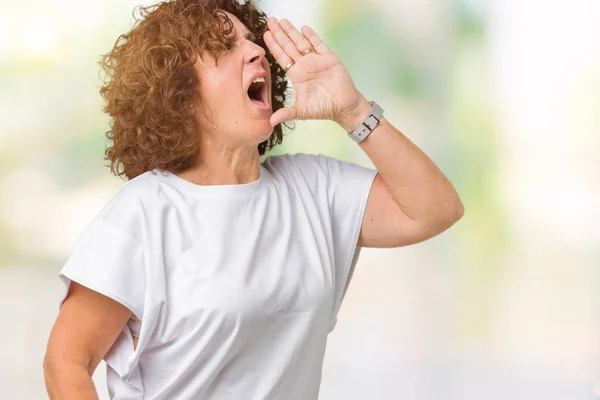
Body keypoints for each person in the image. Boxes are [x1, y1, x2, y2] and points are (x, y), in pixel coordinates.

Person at [43, 0, 464, 398]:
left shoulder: (314, 189)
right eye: (224, 48)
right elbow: (66, 361)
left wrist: (352, 110)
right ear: (179, 93)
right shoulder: (146, 212)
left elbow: (435, 210)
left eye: (251, 40)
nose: (254, 52)